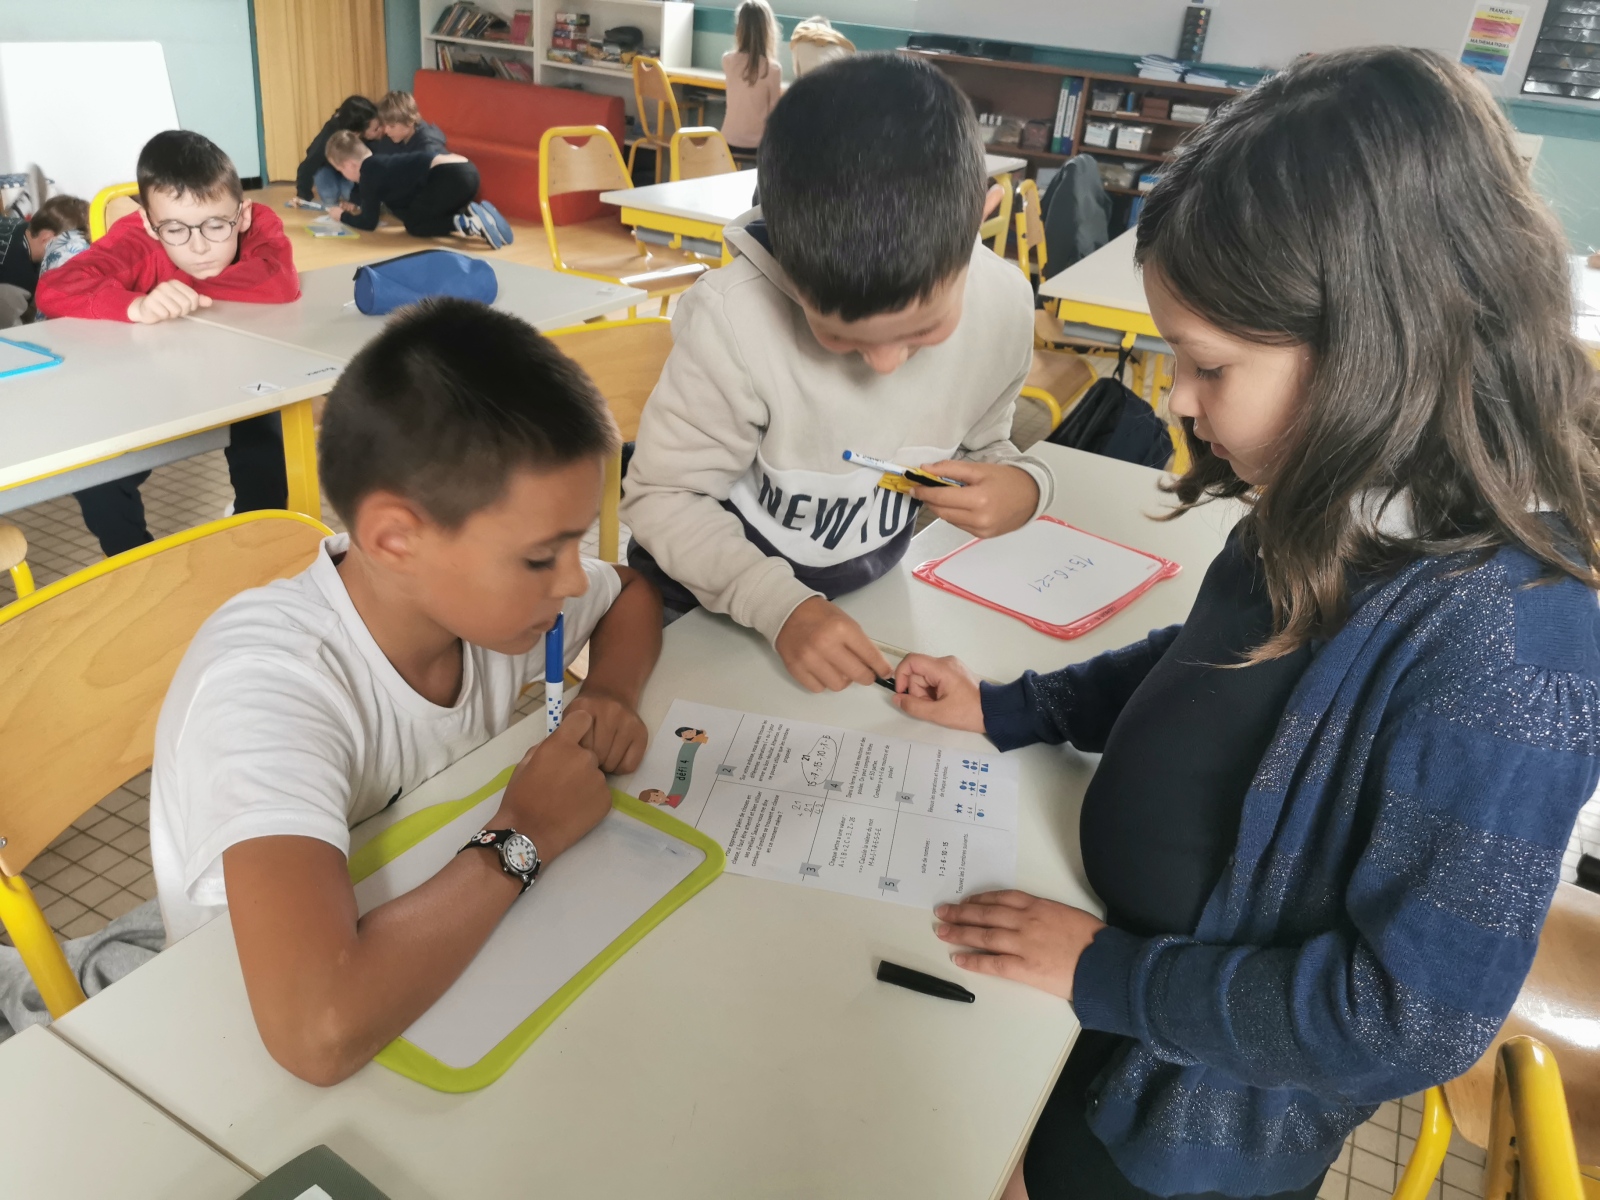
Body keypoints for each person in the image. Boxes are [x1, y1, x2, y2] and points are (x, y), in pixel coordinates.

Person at [887, 48, 1600, 1200]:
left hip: (1190, 1115)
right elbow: (1200, 665)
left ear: (1374, 350)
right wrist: (1016, 707)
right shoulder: (1330, 493)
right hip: (1103, 993)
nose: (1173, 396)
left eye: (1207, 365)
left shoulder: (1512, 651)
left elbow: (1407, 1020)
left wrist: (1109, 976)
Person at [149, 298, 663, 1086]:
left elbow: (630, 591)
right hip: (238, 1034)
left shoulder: (480, 601)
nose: (570, 581)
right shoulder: (268, 686)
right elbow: (317, 1033)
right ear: (395, 540)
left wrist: (613, 692)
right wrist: (525, 832)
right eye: (541, 557)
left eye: (575, 544)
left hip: (426, 922)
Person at [621, 53, 1048, 695]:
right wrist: (779, 605)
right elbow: (661, 495)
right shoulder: (736, 320)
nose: (884, 365)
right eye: (840, 337)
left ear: (980, 217)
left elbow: (986, 445)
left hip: (862, 595)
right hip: (702, 604)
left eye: (923, 330)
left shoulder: (1006, 306)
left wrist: (1027, 486)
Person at [35, 131, 300, 558]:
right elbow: (55, 288)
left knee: (265, 434)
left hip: (234, 375)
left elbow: (280, 282)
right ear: (148, 222)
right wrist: (134, 304)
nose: (199, 246)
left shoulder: (257, 222)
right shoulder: (136, 238)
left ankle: (259, 539)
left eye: (217, 225)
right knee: (98, 475)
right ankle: (137, 562)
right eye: (175, 229)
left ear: (242, 215)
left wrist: (179, 288)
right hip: (150, 384)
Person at [323, 130, 511, 249]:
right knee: (417, 213)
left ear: (350, 164)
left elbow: (368, 222)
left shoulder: (369, 174)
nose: (343, 175)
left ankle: (469, 223)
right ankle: (482, 218)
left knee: (415, 225)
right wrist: (356, 203)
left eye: (340, 170)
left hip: (451, 177)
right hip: (467, 171)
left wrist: (342, 216)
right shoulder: (378, 163)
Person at [290, 94, 381, 209]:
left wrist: (356, 198)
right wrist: (302, 195)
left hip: (351, 169)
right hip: (327, 168)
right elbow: (310, 163)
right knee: (330, 196)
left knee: (351, 195)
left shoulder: (371, 136)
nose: (381, 130)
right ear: (357, 132)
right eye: (375, 129)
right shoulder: (330, 135)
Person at [721, 0, 783, 156]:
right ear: (768, 30)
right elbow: (774, 116)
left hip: (728, 141)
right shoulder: (773, 70)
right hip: (757, 146)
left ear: (739, 29)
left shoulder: (728, 61)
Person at [373, 90, 448, 157]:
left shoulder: (428, 148)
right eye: (384, 124)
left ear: (410, 121)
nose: (386, 131)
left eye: (392, 126)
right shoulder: (391, 138)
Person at [789, 15, 854, 78]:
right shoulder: (839, 38)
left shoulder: (800, 34)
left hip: (810, 79)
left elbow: (797, 72)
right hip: (834, 79)